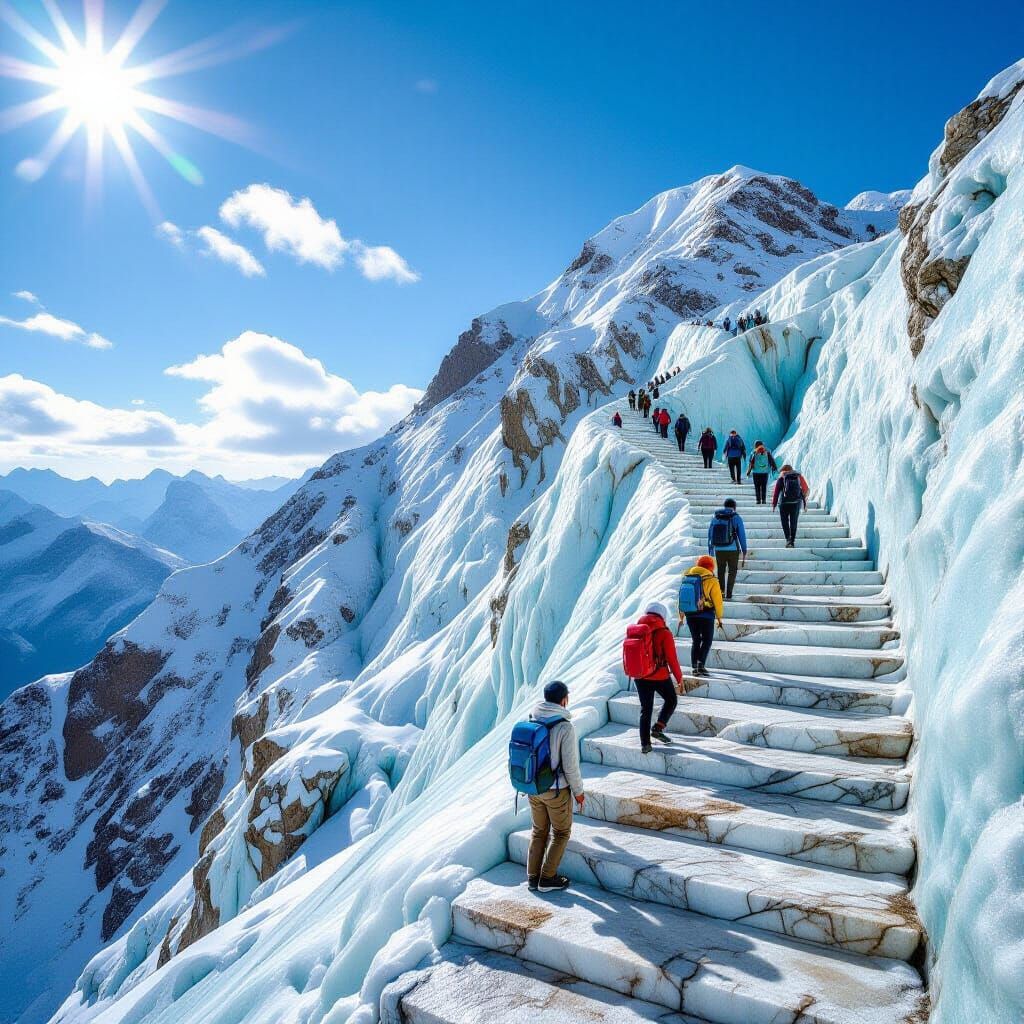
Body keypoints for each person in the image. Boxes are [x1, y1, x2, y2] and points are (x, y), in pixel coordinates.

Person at [524, 681, 585, 892]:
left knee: (539, 831)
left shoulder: (533, 717)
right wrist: (579, 792)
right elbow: (570, 766)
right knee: (561, 833)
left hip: (533, 788)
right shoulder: (564, 727)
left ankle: (532, 877)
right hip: (556, 790)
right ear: (564, 700)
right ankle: (547, 879)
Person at [631, 601, 682, 753]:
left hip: (640, 676)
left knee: (645, 709)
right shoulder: (664, 633)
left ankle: (645, 744)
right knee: (671, 700)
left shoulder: (636, 630)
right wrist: (679, 679)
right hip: (659, 676)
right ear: (662, 615)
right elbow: (672, 659)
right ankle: (658, 727)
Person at [679, 556, 724, 677]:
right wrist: (719, 618)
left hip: (690, 613)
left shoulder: (687, 577)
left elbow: (683, 597)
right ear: (711, 567)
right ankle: (701, 665)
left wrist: (681, 616)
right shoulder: (712, 579)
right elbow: (717, 601)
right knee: (707, 640)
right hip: (706, 614)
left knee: (696, 640)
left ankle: (694, 667)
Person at [708, 497, 747, 600]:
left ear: (724, 506)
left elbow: (710, 534)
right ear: (734, 507)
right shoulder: (736, 517)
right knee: (732, 571)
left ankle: (721, 593)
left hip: (719, 549)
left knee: (720, 571)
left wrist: (711, 549)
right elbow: (741, 535)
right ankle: (729, 593)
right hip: (733, 549)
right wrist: (744, 550)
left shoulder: (716, 517)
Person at [772, 464, 810, 547]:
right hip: (796, 503)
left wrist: (774, 504)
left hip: (783, 503)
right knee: (794, 522)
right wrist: (801, 498)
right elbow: (806, 489)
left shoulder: (782, 477)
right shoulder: (798, 476)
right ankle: (792, 541)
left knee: (784, 521)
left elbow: (776, 492)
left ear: (783, 470)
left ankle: (788, 540)